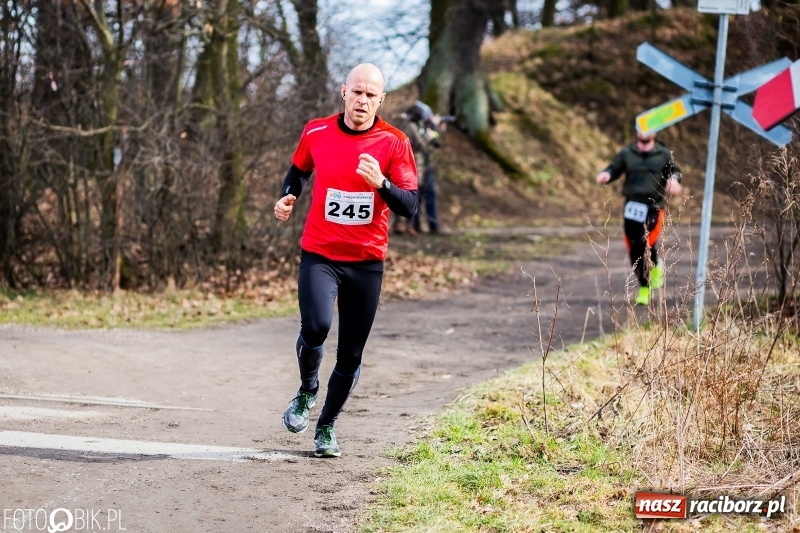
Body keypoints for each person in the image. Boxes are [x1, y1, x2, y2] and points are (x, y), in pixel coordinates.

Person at [273, 63, 418, 458]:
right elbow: (299, 170)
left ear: (381, 100)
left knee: (351, 353)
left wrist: (381, 184)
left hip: (366, 263)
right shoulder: (317, 130)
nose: (363, 101)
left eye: (371, 95)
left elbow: (410, 206)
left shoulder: (395, 142)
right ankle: (306, 391)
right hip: (320, 253)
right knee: (317, 326)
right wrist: (289, 195)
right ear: (343, 92)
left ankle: (326, 427)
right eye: (357, 92)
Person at [595, 131, 682, 306]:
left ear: (654, 132)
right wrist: (607, 175)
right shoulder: (627, 153)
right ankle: (655, 267)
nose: (644, 132)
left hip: (654, 207)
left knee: (645, 244)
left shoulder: (663, 154)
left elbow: (675, 171)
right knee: (634, 248)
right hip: (632, 207)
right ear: (636, 131)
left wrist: (673, 181)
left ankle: (645, 287)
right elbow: (614, 168)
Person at [392, 100, 443, 235]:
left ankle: (409, 225)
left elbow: (437, 143)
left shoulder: (413, 124)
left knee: (412, 195)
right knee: (406, 194)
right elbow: (419, 144)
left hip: (412, 165)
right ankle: (402, 225)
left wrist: (434, 129)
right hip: (408, 165)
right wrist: (429, 135)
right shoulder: (410, 125)